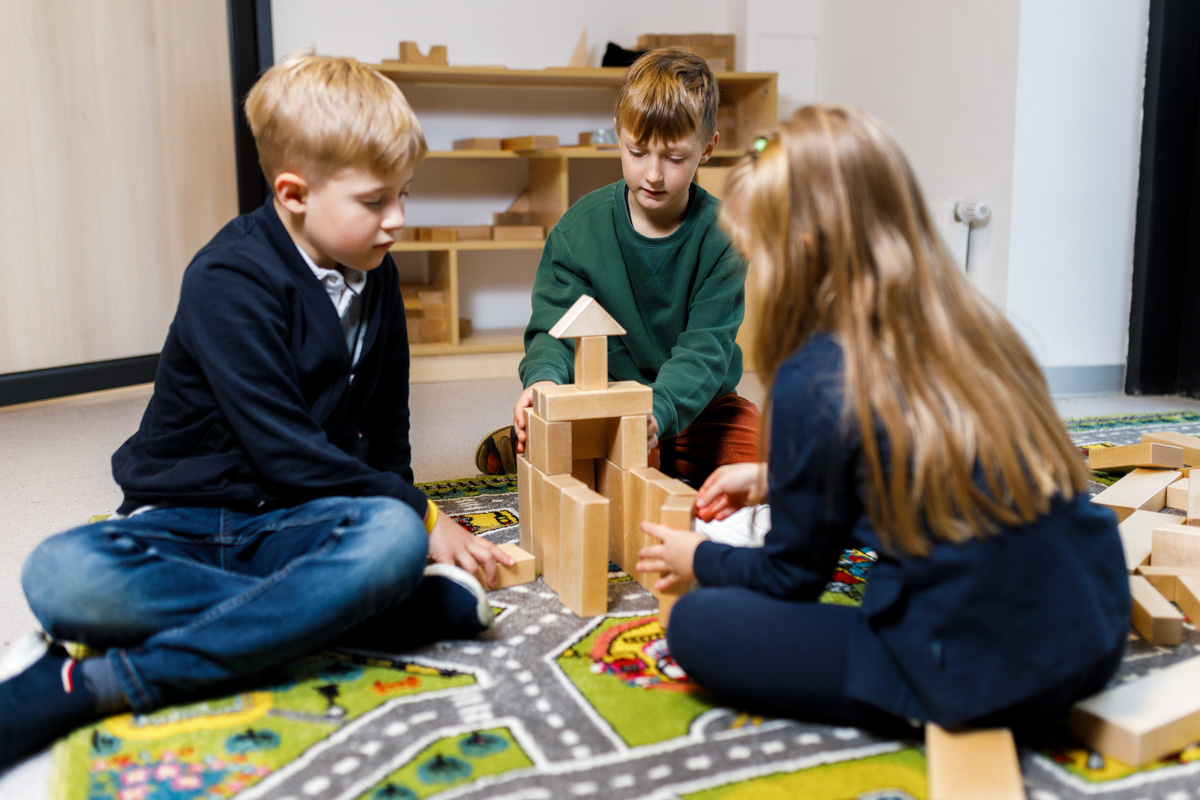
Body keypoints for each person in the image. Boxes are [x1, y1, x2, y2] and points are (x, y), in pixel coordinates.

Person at [0, 52, 512, 769]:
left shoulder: (378, 271)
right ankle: (358, 610)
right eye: (374, 201)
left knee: (388, 535)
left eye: (404, 194)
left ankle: (119, 674)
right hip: (189, 516)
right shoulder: (227, 277)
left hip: (295, 518)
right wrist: (426, 520)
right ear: (294, 193)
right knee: (59, 578)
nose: (398, 220)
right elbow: (284, 451)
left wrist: (407, 514)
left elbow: (386, 434)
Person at [637, 106, 1130, 734]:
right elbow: (908, 461)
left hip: (980, 668)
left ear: (802, 254)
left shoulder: (813, 377)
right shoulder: (974, 325)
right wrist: (776, 477)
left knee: (696, 627)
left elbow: (791, 576)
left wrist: (696, 556)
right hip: (1095, 630)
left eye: (758, 254)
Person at [475, 48, 760, 487]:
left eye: (674, 158)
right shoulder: (579, 230)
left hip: (694, 407)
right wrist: (542, 384)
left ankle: (635, 455)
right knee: (571, 439)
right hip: (604, 400)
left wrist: (658, 412)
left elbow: (706, 350)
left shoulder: (724, 236)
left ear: (708, 149)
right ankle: (550, 446)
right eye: (638, 152)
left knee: (761, 461)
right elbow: (554, 329)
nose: (653, 175)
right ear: (618, 135)